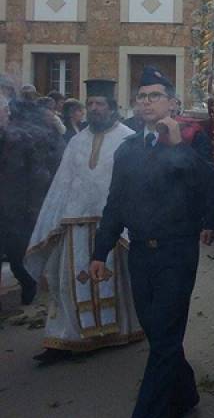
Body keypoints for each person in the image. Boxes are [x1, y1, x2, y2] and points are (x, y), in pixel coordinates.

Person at [89, 66, 214, 418]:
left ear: (173, 103)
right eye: (142, 96)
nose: (146, 102)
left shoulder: (192, 139)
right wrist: (100, 252)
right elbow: (116, 202)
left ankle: (148, 414)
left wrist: (179, 147)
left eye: (155, 95)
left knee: (163, 336)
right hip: (140, 252)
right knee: (157, 331)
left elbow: (208, 187)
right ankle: (185, 392)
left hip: (176, 251)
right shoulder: (128, 147)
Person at [24, 80, 143, 364]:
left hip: (111, 227)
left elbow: (132, 186)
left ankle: (120, 332)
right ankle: (66, 338)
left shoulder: (127, 138)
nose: (93, 109)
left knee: (116, 282)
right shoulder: (77, 141)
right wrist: (53, 221)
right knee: (67, 283)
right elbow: (62, 185)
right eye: (90, 104)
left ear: (112, 108)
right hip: (75, 226)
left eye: (100, 104)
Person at [0, 99, 63, 305]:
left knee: (18, 260)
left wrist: (35, 208)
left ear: (7, 113)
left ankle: (28, 286)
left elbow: (39, 176)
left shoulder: (22, 140)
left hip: (16, 211)